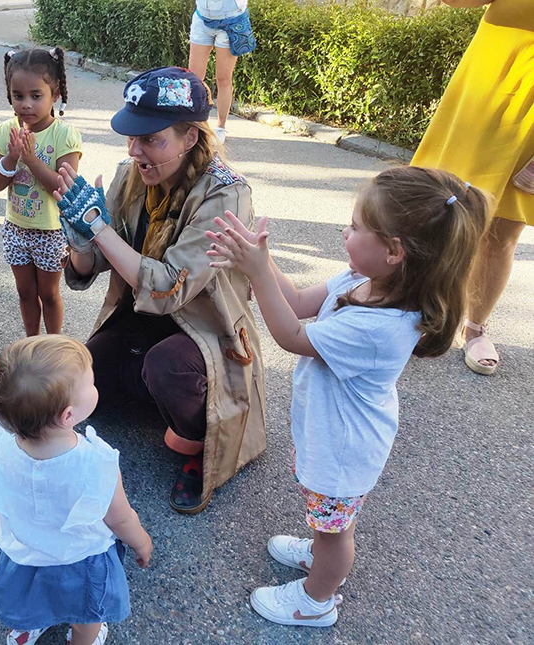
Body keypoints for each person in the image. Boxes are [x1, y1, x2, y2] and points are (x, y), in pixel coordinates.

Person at [206, 166, 490, 626]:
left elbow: (292, 334)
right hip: (334, 433)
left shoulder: (379, 327)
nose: (345, 231)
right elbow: (298, 302)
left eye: (356, 227)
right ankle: (320, 549)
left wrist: (257, 272)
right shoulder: (364, 282)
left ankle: (316, 600)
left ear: (395, 252)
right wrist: (262, 258)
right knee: (329, 519)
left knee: (336, 531)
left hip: (343, 449)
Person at [58, 67, 266, 515]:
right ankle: (154, 391)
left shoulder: (226, 194)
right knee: (86, 376)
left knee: (167, 367)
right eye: (132, 137)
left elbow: (172, 287)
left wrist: (98, 228)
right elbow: (91, 266)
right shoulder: (130, 173)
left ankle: (196, 446)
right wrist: (79, 240)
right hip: (140, 317)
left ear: (190, 138)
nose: (135, 151)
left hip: (203, 329)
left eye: (152, 139)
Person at [0, 335, 152, 645]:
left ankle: (25, 628)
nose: (95, 387)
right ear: (68, 415)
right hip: (79, 557)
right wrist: (141, 542)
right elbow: (120, 518)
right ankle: (82, 640)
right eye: (91, 383)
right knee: (87, 612)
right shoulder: (95, 463)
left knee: (29, 597)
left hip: (24, 550)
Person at [410, 0, 533, 375]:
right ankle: (406, 309)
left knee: (502, 230)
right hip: (486, 92)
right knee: (438, 205)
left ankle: (475, 327)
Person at [0, 47, 81, 336]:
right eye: (18, 96)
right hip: (16, 227)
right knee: (25, 292)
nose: (26, 104)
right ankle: (32, 341)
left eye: (36, 95)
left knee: (49, 293)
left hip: (51, 230)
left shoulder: (64, 135)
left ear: (54, 94)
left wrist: (31, 160)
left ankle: (53, 344)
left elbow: (63, 187)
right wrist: (11, 158)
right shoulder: (6, 131)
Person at [186, 0, 256, 144]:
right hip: (203, 19)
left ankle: (220, 127)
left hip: (231, 20)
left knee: (223, 78)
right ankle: (194, 123)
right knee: (194, 79)